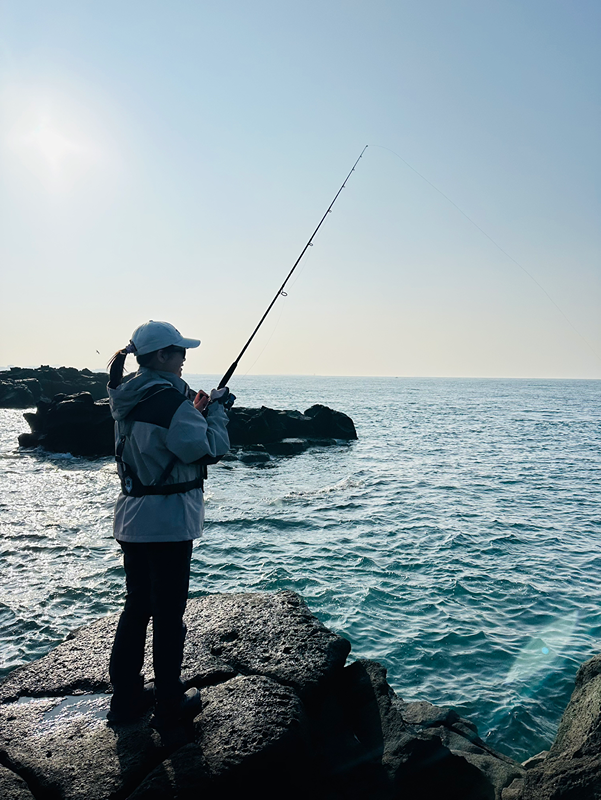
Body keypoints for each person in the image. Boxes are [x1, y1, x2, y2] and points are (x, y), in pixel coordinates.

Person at [105, 320, 231, 728]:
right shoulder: (170, 402)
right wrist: (216, 413)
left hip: (132, 518)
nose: (184, 358)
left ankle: (125, 700)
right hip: (168, 523)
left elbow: (160, 441)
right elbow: (209, 449)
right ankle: (169, 704)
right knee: (168, 613)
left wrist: (195, 412)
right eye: (179, 352)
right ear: (161, 356)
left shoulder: (126, 395)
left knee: (137, 607)